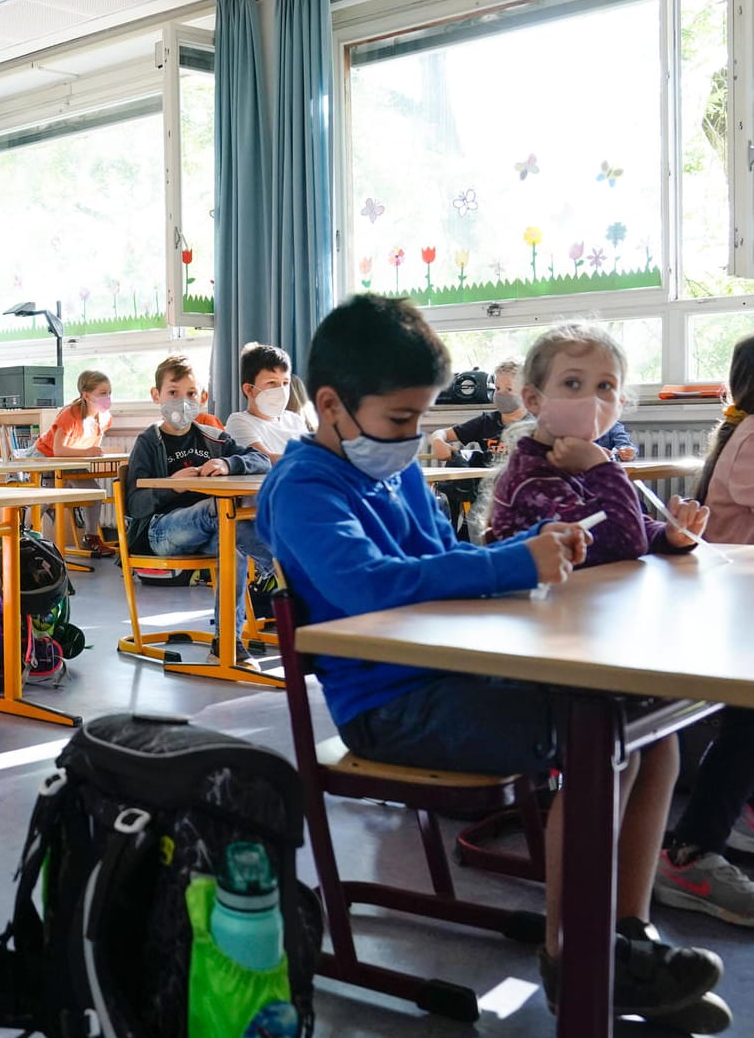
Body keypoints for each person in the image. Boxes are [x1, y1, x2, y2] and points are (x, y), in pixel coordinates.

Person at [256, 295, 726, 1031]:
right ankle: (574, 957)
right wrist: (511, 562)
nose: (413, 440)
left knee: (653, 731)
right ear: (330, 404)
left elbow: (441, 559)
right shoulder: (305, 489)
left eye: (421, 420)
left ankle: (626, 938)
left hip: (450, 673)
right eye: (401, 420)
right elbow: (368, 582)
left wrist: (538, 540)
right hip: (390, 709)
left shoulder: (392, 468)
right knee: (599, 732)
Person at [652, 334, 754, 926]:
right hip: (732, 609)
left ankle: (741, 815)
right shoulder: (752, 438)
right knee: (750, 716)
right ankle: (690, 853)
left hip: (739, 602)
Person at [487, 322, 704, 566]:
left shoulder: (577, 458)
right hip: (546, 603)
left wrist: (669, 536)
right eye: (572, 383)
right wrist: (601, 466)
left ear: (619, 403)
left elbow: (627, 524)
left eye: (605, 386)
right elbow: (625, 540)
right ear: (533, 400)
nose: (591, 399)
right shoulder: (530, 477)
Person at [124, 355, 272, 668]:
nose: (182, 401)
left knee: (233, 530)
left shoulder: (214, 438)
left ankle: (226, 643)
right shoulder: (150, 441)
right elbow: (133, 505)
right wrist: (171, 486)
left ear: (203, 397)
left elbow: (262, 461)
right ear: (157, 396)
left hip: (212, 529)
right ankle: (290, 572)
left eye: (191, 394)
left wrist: (227, 462)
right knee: (216, 509)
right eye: (173, 392)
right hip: (160, 531)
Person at [31, 369, 118, 556]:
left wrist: (89, 454)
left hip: (72, 462)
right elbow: (58, 450)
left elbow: (93, 448)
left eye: (109, 392)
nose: (108, 397)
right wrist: (86, 453)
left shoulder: (105, 418)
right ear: (86, 395)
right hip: (45, 458)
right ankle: (23, 535)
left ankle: (91, 537)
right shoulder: (70, 414)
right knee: (46, 498)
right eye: (103, 393)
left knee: (95, 493)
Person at [222, 343, 310, 463]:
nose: (281, 390)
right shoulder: (239, 421)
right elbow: (264, 459)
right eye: (271, 382)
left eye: (285, 383)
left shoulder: (294, 420)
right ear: (249, 389)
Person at [428, 359, 524, 462]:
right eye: (497, 388)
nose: (500, 394)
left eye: (509, 389)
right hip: (488, 477)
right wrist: (437, 441)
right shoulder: (486, 422)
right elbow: (441, 433)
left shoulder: (537, 426)